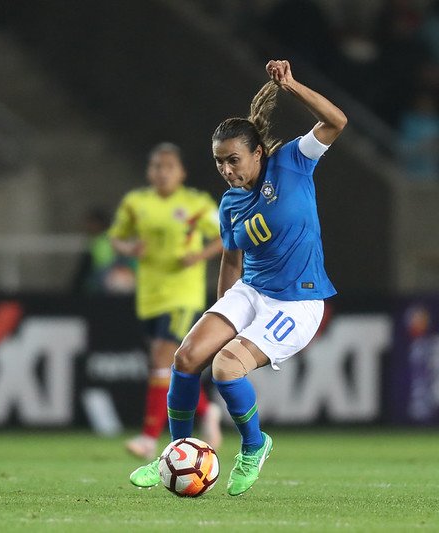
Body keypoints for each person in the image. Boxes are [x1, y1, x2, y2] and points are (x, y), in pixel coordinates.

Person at [129, 59, 347, 496]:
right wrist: (222, 310)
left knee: (227, 368)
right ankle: (176, 452)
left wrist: (293, 86)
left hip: (297, 302)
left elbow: (336, 121)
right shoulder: (230, 203)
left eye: (233, 160)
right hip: (251, 290)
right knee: (188, 357)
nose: (227, 170)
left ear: (257, 153)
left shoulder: (293, 163)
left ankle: (254, 445)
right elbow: (231, 258)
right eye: (218, 162)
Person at [109, 141, 225, 461]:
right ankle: (207, 411)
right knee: (172, 365)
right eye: (157, 167)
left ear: (181, 172)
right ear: (149, 171)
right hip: (150, 295)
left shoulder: (195, 204)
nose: (162, 173)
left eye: (169, 167)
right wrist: (129, 249)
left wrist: (199, 255)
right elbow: (116, 237)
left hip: (183, 294)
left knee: (161, 360)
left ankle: (149, 438)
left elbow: (225, 234)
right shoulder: (136, 203)